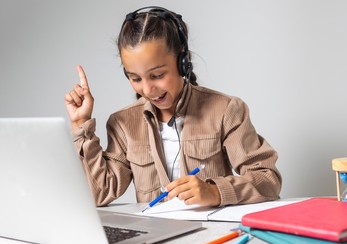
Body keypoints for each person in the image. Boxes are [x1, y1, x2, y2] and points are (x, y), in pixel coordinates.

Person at [64, 6, 282, 207]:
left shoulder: (226, 110)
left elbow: (267, 179)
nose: (148, 89)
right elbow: (100, 194)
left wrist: (215, 191)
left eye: (157, 75)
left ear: (183, 63)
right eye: (135, 78)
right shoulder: (122, 123)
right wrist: (81, 126)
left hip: (210, 234)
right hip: (154, 240)